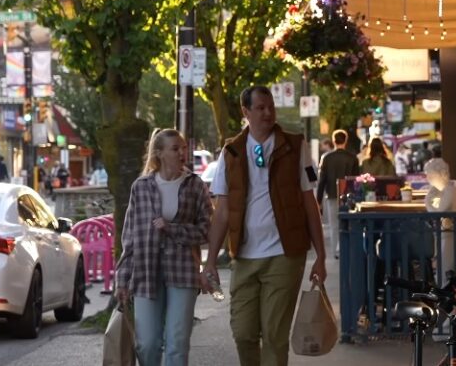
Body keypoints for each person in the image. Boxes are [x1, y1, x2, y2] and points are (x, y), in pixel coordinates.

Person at [201, 85, 327, 366]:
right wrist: (209, 261)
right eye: (260, 108)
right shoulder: (231, 152)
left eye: (271, 107)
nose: (268, 113)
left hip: (285, 255)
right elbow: (221, 213)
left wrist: (321, 256)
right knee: (243, 332)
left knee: (274, 336)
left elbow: (310, 204)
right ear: (246, 112)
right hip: (244, 257)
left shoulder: (296, 146)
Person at [115, 128, 212, 365]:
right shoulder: (141, 187)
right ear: (159, 154)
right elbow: (130, 238)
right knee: (146, 344)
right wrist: (122, 279)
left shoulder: (194, 185)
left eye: (183, 148)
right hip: (146, 272)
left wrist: (173, 228)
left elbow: (207, 230)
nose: (182, 153)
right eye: (175, 148)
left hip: (183, 272)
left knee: (177, 344)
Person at [316, 129, 359, 259]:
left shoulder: (326, 158)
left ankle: (336, 251)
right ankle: (347, 248)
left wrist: (318, 200)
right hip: (349, 196)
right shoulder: (353, 158)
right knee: (349, 224)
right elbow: (356, 179)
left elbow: (322, 180)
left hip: (332, 195)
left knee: (334, 225)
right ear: (345, 140)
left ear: (334, 141)